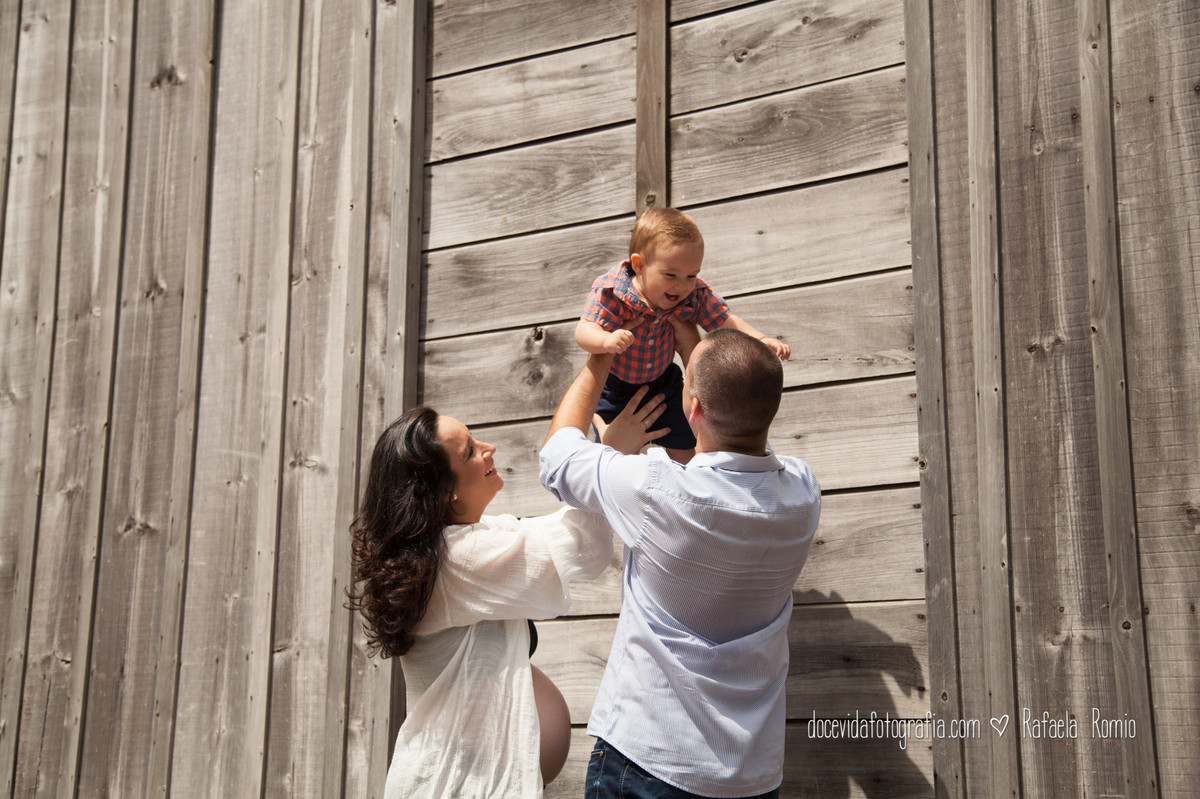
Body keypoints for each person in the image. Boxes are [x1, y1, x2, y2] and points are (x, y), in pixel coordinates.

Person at [539, 328, 821, 799]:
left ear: (692, 408)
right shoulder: (802, 492)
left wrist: (600, 361)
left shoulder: (656, 488)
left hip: (651, 757)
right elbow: (730, 401)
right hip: (751, 775)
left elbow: (555, 459)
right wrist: (688, 328)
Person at [348, 400, 666, 798]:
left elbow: (558, 534)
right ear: (445, 493)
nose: (488, 449)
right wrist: (607, 455)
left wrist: (604, 455)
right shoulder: (455, 560)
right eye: (469, 451)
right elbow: (580, 546)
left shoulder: (457, 549)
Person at [574, 207, 791, 464]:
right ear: (639, 265)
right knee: (617, 460)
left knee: (688, 444)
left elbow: (724, 319)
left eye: (692, 275)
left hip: (664, 383)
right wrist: (605, 341)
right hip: (616, 390)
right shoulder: (614, 292)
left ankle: (689, 483)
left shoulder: (694, 295)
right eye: (671, 275)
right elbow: (583, 331)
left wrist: (759, 338)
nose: (682, 285)